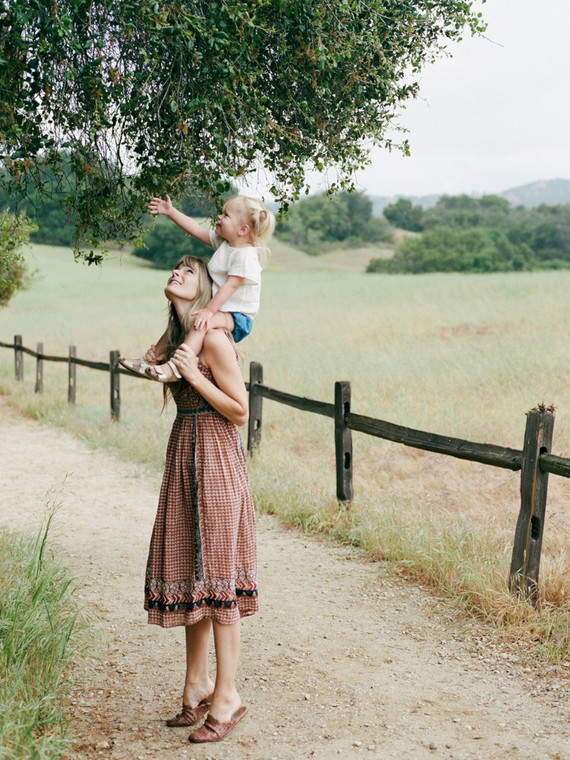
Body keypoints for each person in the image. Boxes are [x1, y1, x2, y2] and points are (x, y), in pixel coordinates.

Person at [143, 254, 258, 743]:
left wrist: (192, 376)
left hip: (214, 457)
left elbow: (240, 411)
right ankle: (197, 687)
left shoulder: (212, 337)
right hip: (184, 455)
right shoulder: (177, 338)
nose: (176, 273)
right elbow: (153, 366)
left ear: (207, 287)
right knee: (194, 574)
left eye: (188, 271)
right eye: (175, 269)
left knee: (217, 576)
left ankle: (228, 696)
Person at [120, 194, 275, 382]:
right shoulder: (225, 244)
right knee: (178, 323)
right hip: (223, 308)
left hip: (238, 316)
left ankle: (175, 369)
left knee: (200, 323)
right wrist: (170, 212)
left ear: (242, 229)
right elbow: (195, 229)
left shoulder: (245, 256)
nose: (219, 216)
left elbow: (230, 286)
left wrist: (208, 311)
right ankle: (150, 358)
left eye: (226, 215)